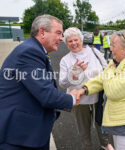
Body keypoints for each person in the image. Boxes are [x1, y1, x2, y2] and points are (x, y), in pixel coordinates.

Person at [0, 14, 80, 150]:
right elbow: (46, 94)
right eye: (59, 33)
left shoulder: (33, 49)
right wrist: (71, 98)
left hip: (27, 133)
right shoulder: (29, 52)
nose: (61, 39)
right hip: (20, 137)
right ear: (42, 32)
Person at [77, 31, 125, 150]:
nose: (110, 48)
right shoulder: (118, 61)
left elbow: (112, 91)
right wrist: (85, 89)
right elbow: (102, 78)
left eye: (113, 45)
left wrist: (110, 69)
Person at [59, 27, 114, 150]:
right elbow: (62, 84)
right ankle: (87, 147)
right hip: (80, 99)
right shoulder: (65, 60)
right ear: (66, 43)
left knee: (101, 122)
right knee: (83, 128)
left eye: (76, 40)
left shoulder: (94, 52)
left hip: (98, 96)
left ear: (81, 39)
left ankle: (105, 144)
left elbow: (106, 70)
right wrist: (75, 72)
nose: (74, 43)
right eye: (70, 41)